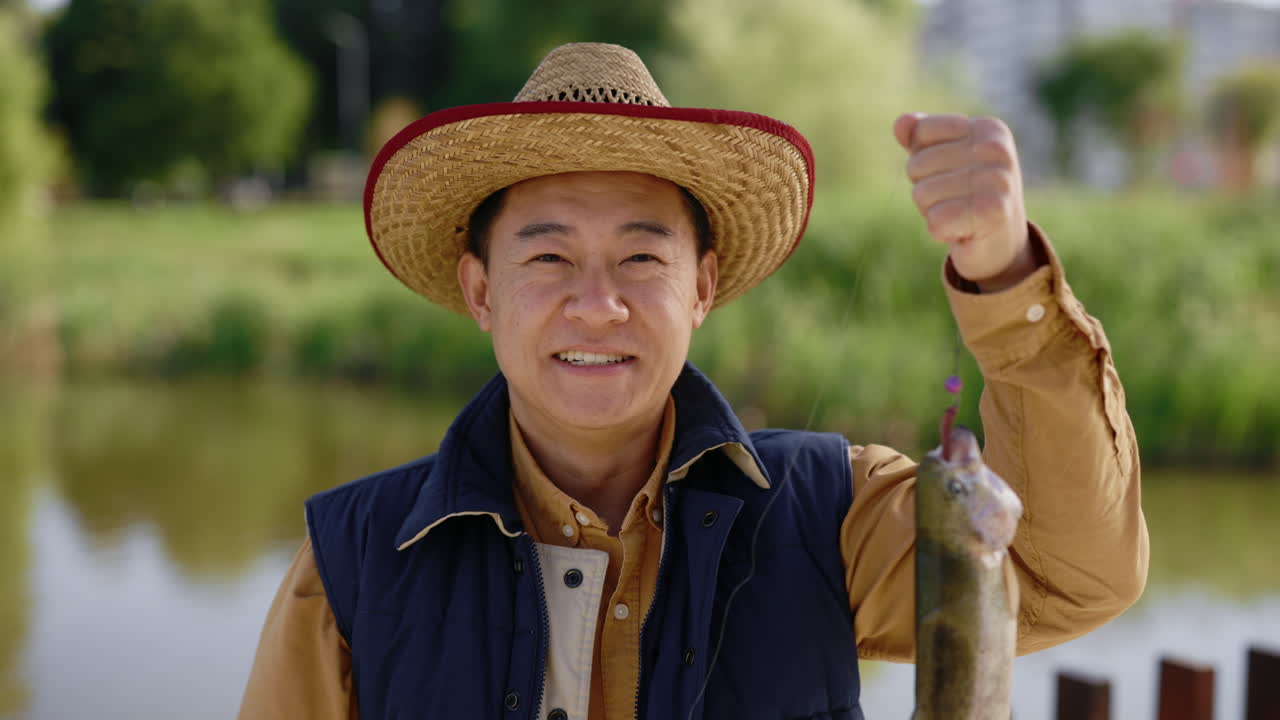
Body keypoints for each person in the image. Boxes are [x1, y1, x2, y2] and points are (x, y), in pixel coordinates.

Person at [238, 42, 1147, 720]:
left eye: (642, 255)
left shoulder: (835, 513)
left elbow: (1072, 577)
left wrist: (1002, 276)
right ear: (482, 290)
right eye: (548, 256)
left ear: (703, 286)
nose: (598, 305)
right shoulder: (350, 565)